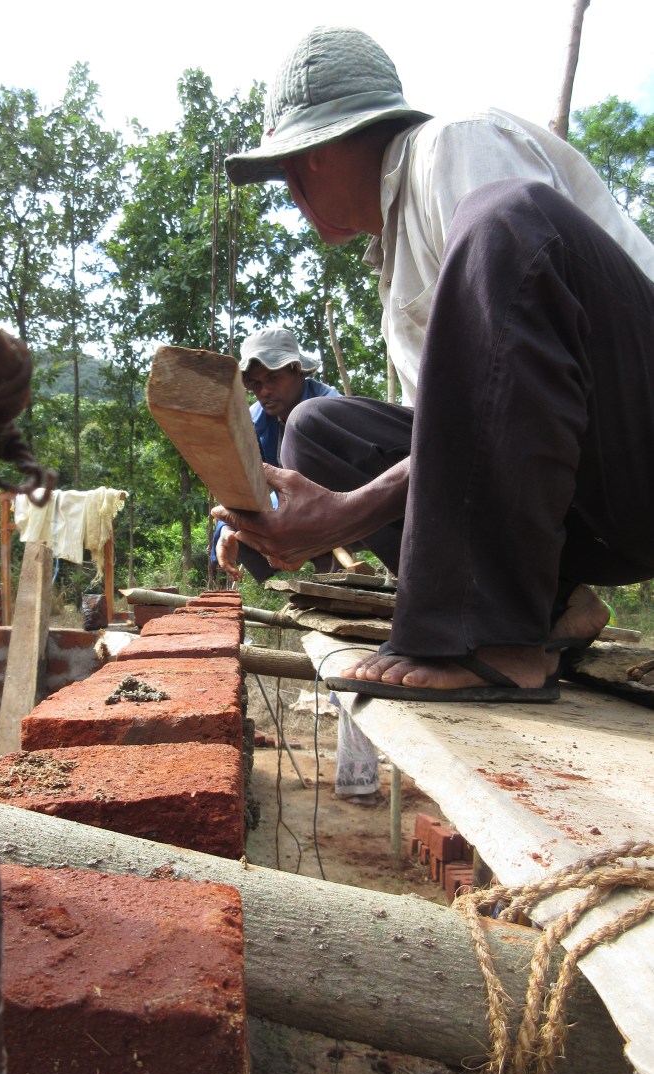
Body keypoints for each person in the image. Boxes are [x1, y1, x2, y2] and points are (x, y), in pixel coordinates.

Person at [214, 25, 654, 702]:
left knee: (505, 218)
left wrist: (351, 511)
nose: (292, 194)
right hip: (578, 508)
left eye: (288, 170)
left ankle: (494, 637)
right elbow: (460, 444)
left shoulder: (454, 145)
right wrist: (281, 521)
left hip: (634, 455)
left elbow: (509, 367)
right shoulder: (394, 264)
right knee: (318, 431)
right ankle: (553, 607)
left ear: (316, 154)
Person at [213, 326, 339, 582]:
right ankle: (278, 582)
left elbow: (328, 486)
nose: (264, 392)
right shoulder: (252, 421)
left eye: (273, 379)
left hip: (343, 506)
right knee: (235, 526)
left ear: (297, 371)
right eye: (256, 384)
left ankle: (333, 574)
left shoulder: (331, 408)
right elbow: (245, 488)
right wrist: (227, 527)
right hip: (289, 510)